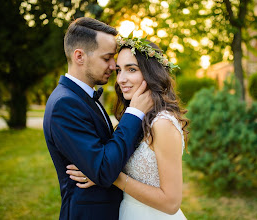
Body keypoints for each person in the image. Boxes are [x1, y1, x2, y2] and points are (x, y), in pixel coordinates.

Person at [43, 17, 153, 220]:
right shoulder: (64, 104)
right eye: (107, 58)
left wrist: (95, 169)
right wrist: (134, 113)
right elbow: (103, 169)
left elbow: (104, 161)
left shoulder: (82, 97)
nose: (113, 66)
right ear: (79, 56)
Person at [67, 36, 189, 219]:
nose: (121, 79)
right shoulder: (134, 117)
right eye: (118, 71)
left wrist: (107, 176)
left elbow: (171, 203)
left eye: (131, 69)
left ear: (151, 73)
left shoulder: (163, 124)